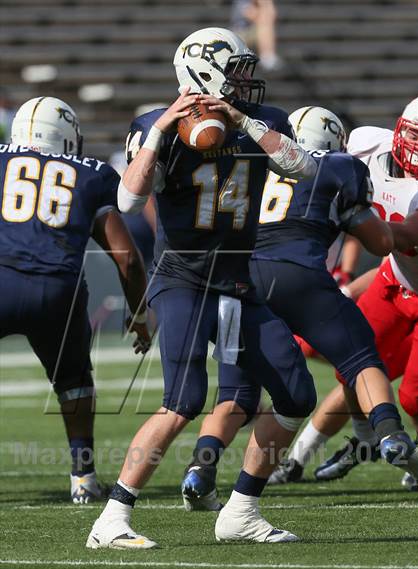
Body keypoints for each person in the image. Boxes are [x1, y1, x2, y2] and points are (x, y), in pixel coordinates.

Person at [87, 26, 318, 549]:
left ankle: (241, 512)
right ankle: (112, 520)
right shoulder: (154, 126)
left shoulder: (265, 121)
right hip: (183, 280)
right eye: (235, 69)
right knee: (184, 398)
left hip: (235, 282)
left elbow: (302, 168)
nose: (246, 78)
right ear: (206, 72)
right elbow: (127, 201)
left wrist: (243, 122)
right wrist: (160, 132)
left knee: (295, 392)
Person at [181, 103, 418, 503]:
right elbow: (382, 241)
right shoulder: (342, 165)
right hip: (297, 274)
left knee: (235, 395)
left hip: (230, 281)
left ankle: (200, 469)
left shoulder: (252, 161)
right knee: (361, 358)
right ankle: (389, 434)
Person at [0, 96, 151, 504]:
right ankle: (82, 477)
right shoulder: (93, 172)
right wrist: (139, 312)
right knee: (74, 382)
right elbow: (128, 260)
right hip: (57, 290)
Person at [271, 96, 418, 490]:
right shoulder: (368, 145)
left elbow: (397, 237)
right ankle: (347, 444)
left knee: (414, 396)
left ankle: (392, 447)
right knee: (353, 364)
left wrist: (351, 217)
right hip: (395, 279)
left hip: (402, 269)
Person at [231, 0, 281, 71]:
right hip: (240, 31)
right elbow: (250, 14)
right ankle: (266, 56)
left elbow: (272, 14)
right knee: (264, 20)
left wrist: (266, 5)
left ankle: (267, 57)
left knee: (265, 24)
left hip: (255, 31)